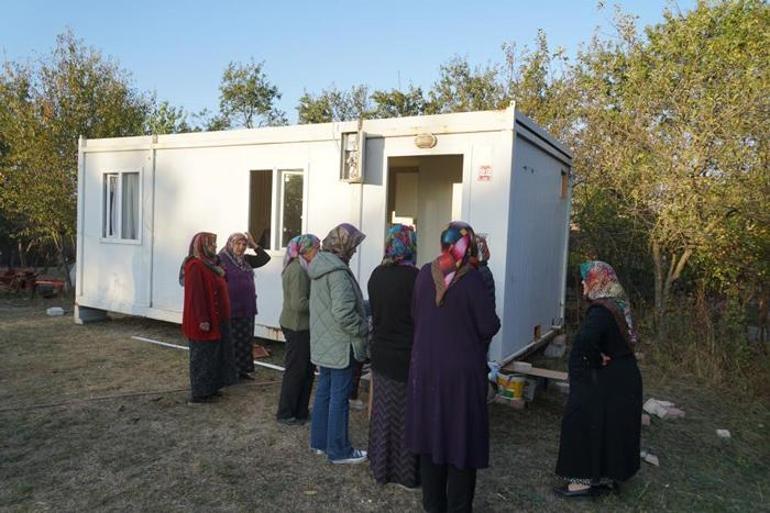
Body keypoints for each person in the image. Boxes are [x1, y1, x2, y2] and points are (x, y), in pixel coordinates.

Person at [406, 222, 501, 513]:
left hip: (425, 370)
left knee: (430, 437)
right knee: (460, 440)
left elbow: (415, 315)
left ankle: (433, 506)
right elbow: (488, 325)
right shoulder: (472, 281)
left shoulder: (424, 274)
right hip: (461, 376)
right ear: (468, 246)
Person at [554, 260, 643, 498]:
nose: (583, 283)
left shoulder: (601, 310)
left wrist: (594, 358)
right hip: (622, 378)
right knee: (611, 429)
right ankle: (606, 476)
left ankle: (581, 483)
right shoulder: (617, 303)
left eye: (586, 278)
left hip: (608, 379)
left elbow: (584, 341)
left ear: (597, 280)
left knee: (581, 424)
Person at [308, 223, 369, 464]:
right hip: (341, 345)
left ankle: (320, 442)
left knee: (324, 393)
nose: (354, 251)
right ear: (342, 246)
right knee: (339, 398)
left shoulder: (321, 268)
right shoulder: (338, 272)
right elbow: (343, 312)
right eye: (353, 246)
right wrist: (363, 328)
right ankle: (339, 450)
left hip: (325, 344)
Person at [367, 224, 420, 490]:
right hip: (407, 355)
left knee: (382, 413)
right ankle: (405, 474)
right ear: (410, 245)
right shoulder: (416, 278)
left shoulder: (376, 274)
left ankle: (380, 468)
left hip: (380, 353)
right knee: (406, 415)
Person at [180, 232, 235, 403]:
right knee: (202, 357)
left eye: (215, 244)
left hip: (218, 318)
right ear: (202, 246)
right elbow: (196, 295)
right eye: (211, 244)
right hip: (203, 320)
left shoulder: (213, 264)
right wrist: (203, 319)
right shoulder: (195, 265)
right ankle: (200, 393)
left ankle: (211, 388)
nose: (215, 247)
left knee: (214, 355)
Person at [276, 234, 320, 425]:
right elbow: (299, 304)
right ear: (305, 250)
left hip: (301, 326)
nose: (319, 252)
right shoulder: (298, 270)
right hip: (297, 327)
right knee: (296, 371)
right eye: (316, 248)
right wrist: (321, 304)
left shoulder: (302, 267)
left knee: (307, 370)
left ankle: (300, 410)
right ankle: (285, 413)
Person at [218, 232, 271, 381]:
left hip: (247, 307)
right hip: (231, 308)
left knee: (245, 341)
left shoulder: (245, 259)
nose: (241, 247)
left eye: (244, 245)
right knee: (231, 341)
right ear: (230, 243)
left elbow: (264, 258)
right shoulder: (221, 259)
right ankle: (230, 372)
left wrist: (254, 245)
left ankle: (243, 370)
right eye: (237, 244)